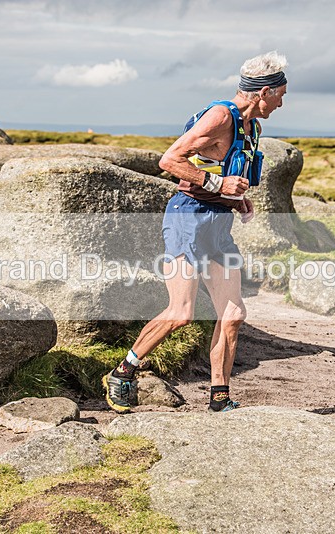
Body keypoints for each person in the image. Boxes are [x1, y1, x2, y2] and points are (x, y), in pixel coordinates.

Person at [103, 51, 288, 413]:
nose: (283, 102)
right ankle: (122, 373)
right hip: (188, 217)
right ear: (263, 92)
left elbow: (227, 172)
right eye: (281, 94)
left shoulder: (254, 128)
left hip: (219, 223)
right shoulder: (219, 116)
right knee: (181, 312)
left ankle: (219, 398)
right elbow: (170, 160)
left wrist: (236, 200)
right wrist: (218, 184)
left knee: (233, 314)